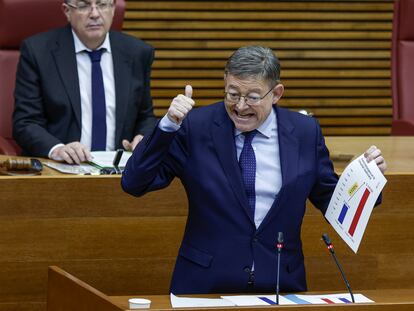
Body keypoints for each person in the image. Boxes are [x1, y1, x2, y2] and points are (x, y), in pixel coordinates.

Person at [121, 46, 387, 294]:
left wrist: (367, 180)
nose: (240, 106)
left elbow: (333, 203)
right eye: (232, 94)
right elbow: (134, 183)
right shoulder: (195, 127)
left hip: (280, 283)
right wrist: (167, 126)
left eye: (252, 97)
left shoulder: (305, 133)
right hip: (205, 284)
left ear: (277, 93)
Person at [13, 0, 156, 164]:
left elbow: (145, 116)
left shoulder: (137, 53)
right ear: (67, 11)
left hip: (119, 171)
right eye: (83, 5)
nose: (95, 14)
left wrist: (143, 137)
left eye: (102, 4)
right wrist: (57, 149)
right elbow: (26, 122)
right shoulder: (37, 52)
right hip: (60, 168)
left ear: (113, 9)